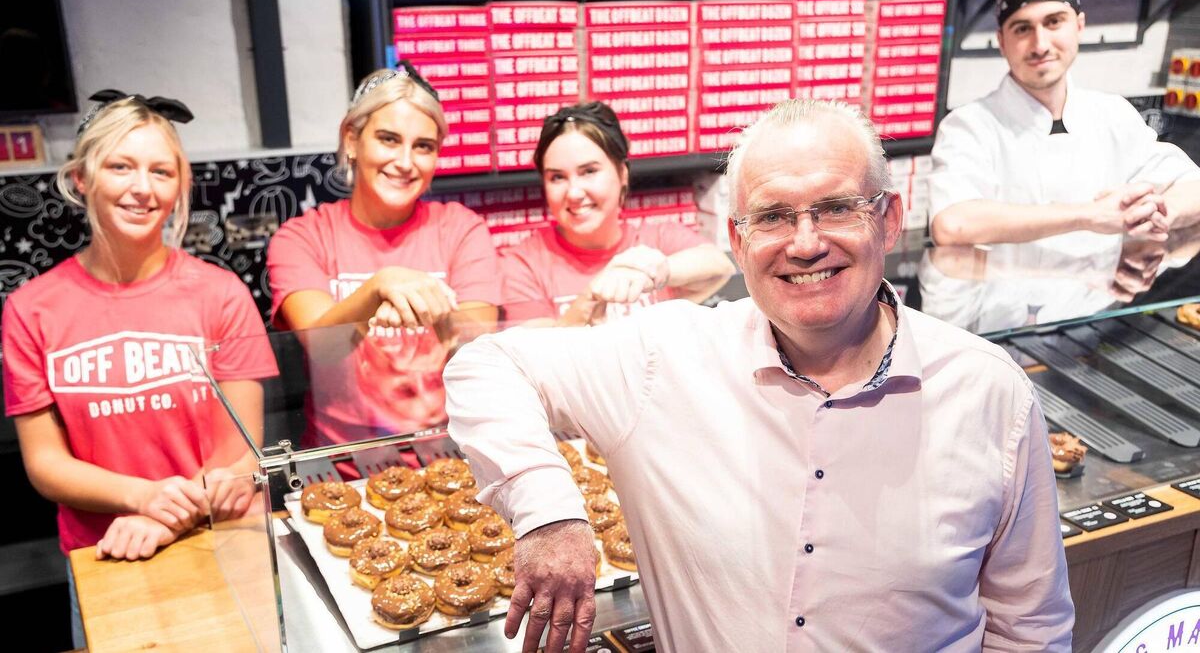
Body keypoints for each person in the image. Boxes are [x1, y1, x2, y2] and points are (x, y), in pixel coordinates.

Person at [444, 99, 1074, 652]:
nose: (805, 243)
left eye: (835, 208)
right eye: (772, 216)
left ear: (888, 220)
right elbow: (487, 363)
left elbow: (1030, 626)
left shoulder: (990, 393)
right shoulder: (665, 361)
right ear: (739, 242)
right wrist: (549, 515)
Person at [1, 91, 277, 647]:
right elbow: (46, 464)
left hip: (219, 543)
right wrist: (142, 498)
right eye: (120, 167)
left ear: (180, 186)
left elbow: (241, 454)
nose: (142, 188)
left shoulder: (221, 295)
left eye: (161, 171)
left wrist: (163, 517)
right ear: (81, 178)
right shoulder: (31, 309)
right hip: (107, 557)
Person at [267, 65, 501, 448]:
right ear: (351, 140)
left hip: (450, 454)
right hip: (341, 463)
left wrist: (422, 306)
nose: (405, 162)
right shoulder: (302, 237)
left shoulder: (462, 228)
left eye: (423, 146)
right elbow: (323, 348)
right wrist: (381, 286)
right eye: (388, 139)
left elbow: (479, 346)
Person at [930, 0, 1200, 248]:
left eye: (1054, 22)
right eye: (1022, 28)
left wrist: (1159, 212)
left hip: (1106, 275)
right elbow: (952, 224)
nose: (1040, 45)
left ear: (1079, 26)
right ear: (1002, 41)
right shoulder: (969, 126)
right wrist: (1089, 215)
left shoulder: (1112, 114)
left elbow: (1193, 186)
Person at [501, 102, 733, 325]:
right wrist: (589, 300)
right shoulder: (524, 264)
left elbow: (720, 266)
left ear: (622, 173)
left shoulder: (657, 238)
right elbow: (534, 348)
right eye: (557, 177)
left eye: (589, 171)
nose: (574, 192)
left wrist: (658, 269)